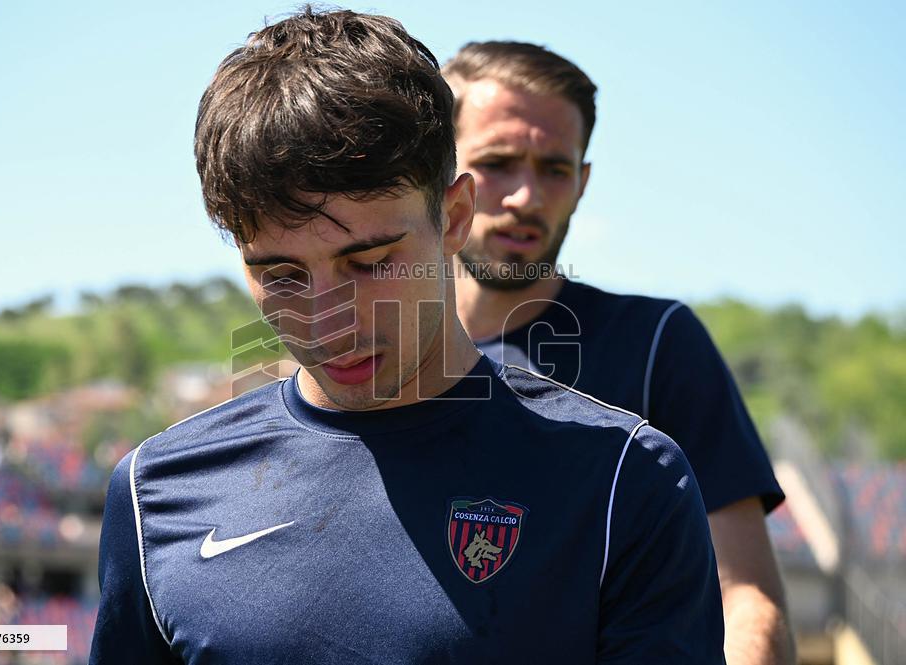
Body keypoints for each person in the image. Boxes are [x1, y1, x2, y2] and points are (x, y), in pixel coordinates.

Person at [90, 9, 724, 663]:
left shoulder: (626, 483)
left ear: (453, 217)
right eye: (281, 274)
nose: (330, 318)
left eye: (369, 263)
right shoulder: (152, 495)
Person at [443, 41, 793, 665]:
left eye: (554, 168)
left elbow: (747, 604)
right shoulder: (367, 361)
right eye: (497, 162)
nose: (527, 196)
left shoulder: (658, 344)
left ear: (582, 182)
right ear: (440, 175)